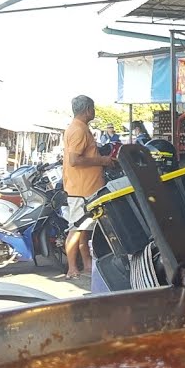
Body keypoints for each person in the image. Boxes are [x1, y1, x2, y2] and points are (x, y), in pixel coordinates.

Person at [63, 95, 115, 279]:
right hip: (80, 189)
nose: (94, 112)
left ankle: (86, 265)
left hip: (85, 188)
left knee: (84, 229)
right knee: (76, 229)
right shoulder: (78, 130)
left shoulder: (79, 127)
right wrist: (102, 160)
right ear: (87, 110)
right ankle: (72, 268)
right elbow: (75, 160)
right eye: (93, 109)